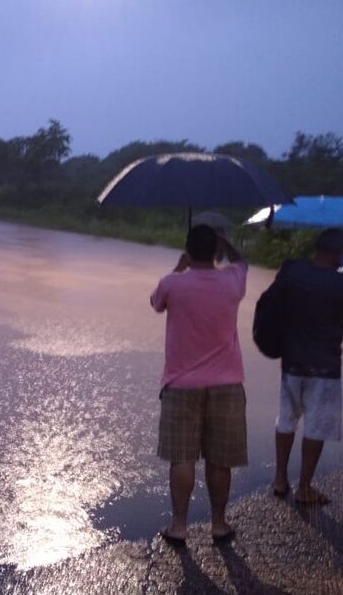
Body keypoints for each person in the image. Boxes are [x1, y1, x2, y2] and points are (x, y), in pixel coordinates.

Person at [150, 224, 248, 547]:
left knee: (183, 457)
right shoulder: (233, 280)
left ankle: (179, 526)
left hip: (181, 385)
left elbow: (156, 302)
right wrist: (225, 245)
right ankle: (218, 524)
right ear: (216, 251)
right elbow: (242, 261)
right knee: (220, 460)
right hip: (227, 384)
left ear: (188, 251)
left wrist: (180, 267)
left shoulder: (173, 284)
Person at [271, 228, 343, 505]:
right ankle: (304, 487)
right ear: (337, 253)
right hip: (324, 368)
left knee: (286, 420)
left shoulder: (294, 273)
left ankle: (279, 479)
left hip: (292, 363)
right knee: (316, 427)